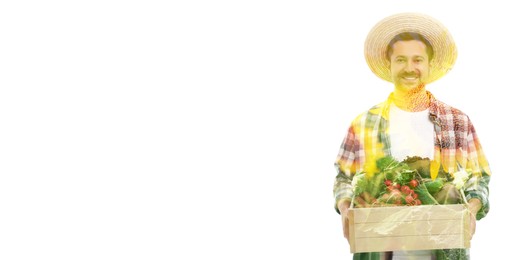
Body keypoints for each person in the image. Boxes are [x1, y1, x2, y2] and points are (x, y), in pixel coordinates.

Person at [333, 13, 491, 260]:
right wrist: (345, 209)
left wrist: (471, 210)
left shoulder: (457, 121)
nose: (409, 68)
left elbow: (479, 176)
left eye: (417, 60)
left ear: (429, 65)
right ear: (390, 64)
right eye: (401, 60)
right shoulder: (363, 124)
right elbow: (344, 176)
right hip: (378, 248)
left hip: (443, 250)